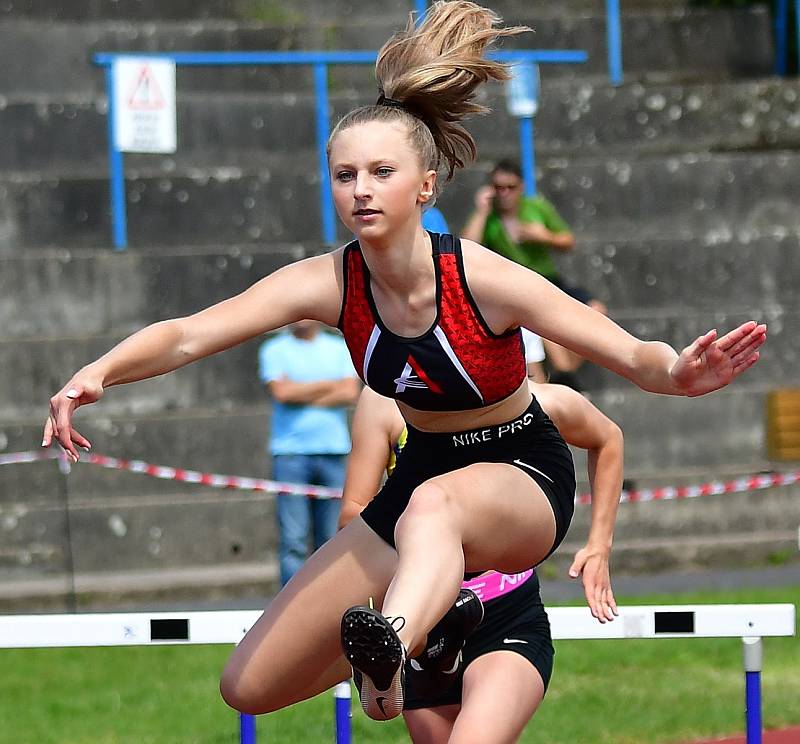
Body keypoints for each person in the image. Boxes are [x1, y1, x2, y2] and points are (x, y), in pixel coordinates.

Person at [43, 1, 765, 725]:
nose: (361, 189)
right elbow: (191, 334)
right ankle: (428, 637)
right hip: (422, 471)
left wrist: (677, 373)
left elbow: (631, 353)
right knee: (248, 684)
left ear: (425, 185)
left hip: (521, 472)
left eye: (381, 172)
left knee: (435, 508)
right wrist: (95, 373)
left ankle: (394, 646)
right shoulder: (330, 282)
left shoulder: (480, 277)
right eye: (344, 174)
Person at [338, 381, 623, 743]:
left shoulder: (529, 401)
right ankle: (409, 646)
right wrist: (416, 526)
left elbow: (607, 436)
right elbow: (352, 514)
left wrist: (599, 546)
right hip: (423, 631)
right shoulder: (383, 402)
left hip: (504, 618)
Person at [461, 159, 608, 386]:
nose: (505, 194)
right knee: (541, 320)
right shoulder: (489, 217)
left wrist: (543, 237)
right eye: (499, 188)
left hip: (548, 278)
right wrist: (481, 211)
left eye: (510, 187)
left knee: (597, 310)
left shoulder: (536, 208)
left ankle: (565, 371)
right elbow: (466, 247)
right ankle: (564, 374)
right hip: (515, 284)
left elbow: (568, 241)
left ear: (520, 187)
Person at [258, 320, 360, 586]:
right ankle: (291, 606)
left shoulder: (340, 347)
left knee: (333, 538)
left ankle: (330, 600)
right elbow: (282, 393)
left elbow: (350, 392)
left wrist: (300, 391)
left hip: (334, 450)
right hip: (290, 454)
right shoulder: (274, 349)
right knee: (294, 538)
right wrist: (328, 385)